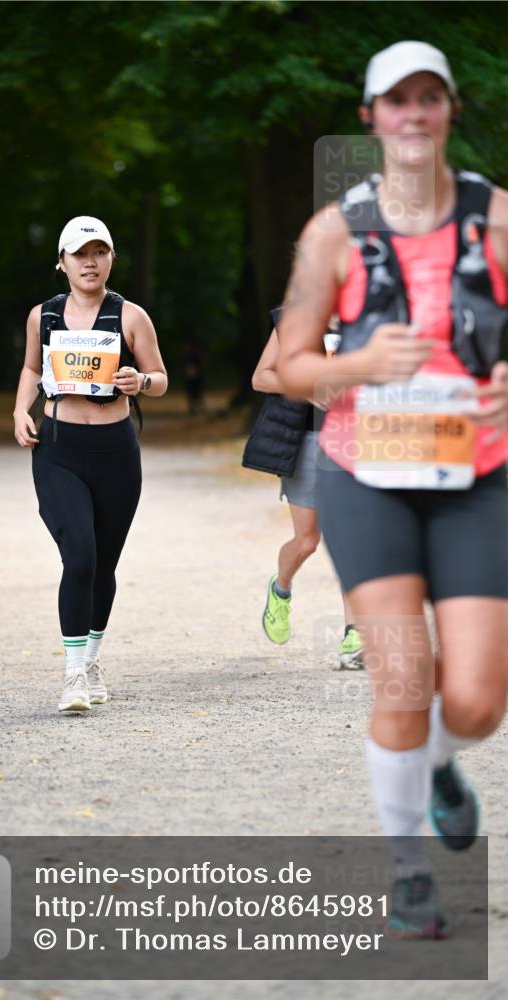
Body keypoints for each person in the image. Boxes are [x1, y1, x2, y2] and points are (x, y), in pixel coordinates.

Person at [277, 41, 508, 938]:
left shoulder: (494, 219)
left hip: (475, 476)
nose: (412, 114)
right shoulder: (334, 231)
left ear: (447, 110)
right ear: (370, 116)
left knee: (478, 699)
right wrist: (361, 361)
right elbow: (288, 363)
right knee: (402, 679)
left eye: (428, 99)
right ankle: (408, 869)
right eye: (395, 101)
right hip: (363, 474)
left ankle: (438, 763)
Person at [13, 216, 167, 714]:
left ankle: (93, 659)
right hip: (58, 448)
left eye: (99, 252)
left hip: (116, 452)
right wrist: (20, 409)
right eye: (80, 254)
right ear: (61, 262)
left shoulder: (131, 316)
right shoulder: (45, 316)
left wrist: (138, 382)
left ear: (111, 259)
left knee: (104, 564)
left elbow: (160, 377)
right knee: (78, 557)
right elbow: (33, 367)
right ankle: (73, 674)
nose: (90, 262)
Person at [243, 309, 364, 668]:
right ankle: (281, 589)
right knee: (307, 540)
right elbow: (261, 377)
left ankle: (354, 634)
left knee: (352, 539)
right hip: (310, 442)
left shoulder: (373, 316)